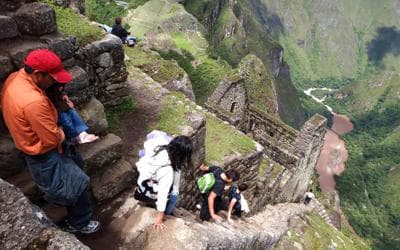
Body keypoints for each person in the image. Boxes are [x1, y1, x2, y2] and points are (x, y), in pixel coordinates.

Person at [1, 49, 100, 234]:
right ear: (39, 74)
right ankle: (79, 223)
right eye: (53, 78)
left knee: (74, 174)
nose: (55, 81)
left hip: (33, 145)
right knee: (77, 187)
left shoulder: (15, 78)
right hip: (46, 153)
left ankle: (70, 207)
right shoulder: (34, 102)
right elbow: (52, 138)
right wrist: (62, 132)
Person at [134, 131, 193, 231]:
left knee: (171, 193)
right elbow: (162, 194)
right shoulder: (167, 171)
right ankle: (167, 215)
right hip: (152, 190)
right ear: (182, 155)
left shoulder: (158, 145)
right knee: (174, 197)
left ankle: (149, 204)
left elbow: (152, 134)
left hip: (143, 183)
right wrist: (160, 218)